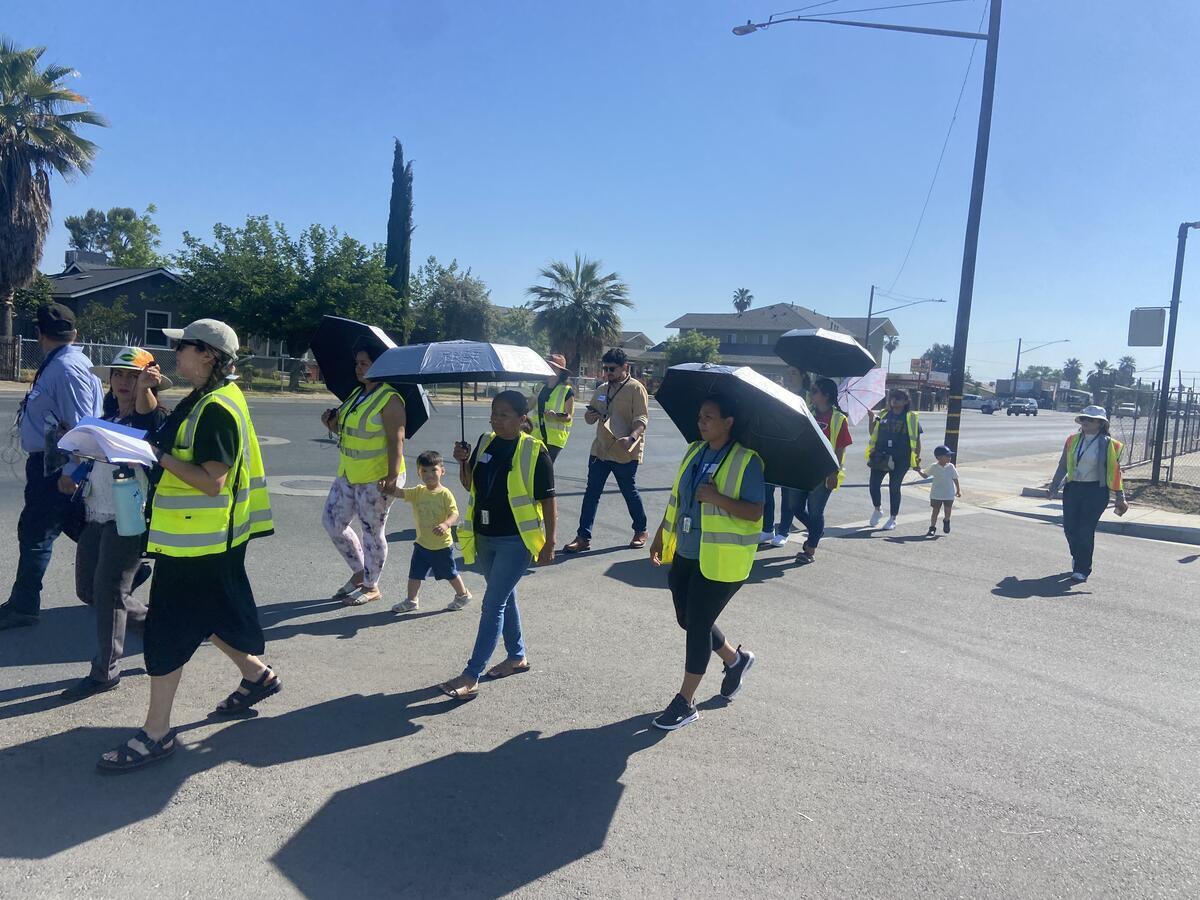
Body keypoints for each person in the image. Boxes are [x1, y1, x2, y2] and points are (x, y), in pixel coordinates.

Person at [97, 319, 276, 773]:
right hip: (206, 541)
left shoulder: (215, 407)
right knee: (208, 617)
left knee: (165, 634)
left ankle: (156, 734)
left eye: (185, 347)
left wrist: (157, 458)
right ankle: (257, 676)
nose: (176, 354)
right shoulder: (207, 398)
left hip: (197, 544)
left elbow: (212, 481)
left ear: (209, 355)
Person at [59, 348, 171, 700]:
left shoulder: (152, 417)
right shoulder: (107, 415)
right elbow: (97, 458)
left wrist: (144, 390)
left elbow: (146, 422)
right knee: (88, 590)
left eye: (132, 376)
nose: (124, 382)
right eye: (119, 375)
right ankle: (158, 624)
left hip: (129, 516)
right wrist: (76, 471)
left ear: (147, 380)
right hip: (96, 509)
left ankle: (105, 671)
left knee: (108, 592)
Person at [648, 395, 762, 731]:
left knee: (697, 626)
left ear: (728, 422)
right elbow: (678, 499)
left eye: (709, 417)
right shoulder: (695, 451)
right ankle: (735, 659)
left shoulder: (746, 460)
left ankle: (685, 702)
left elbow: (755, 511)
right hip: (686, 550)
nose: (702, 422)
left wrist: (717, 499)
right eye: (700, 417)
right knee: (687, 619)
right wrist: (660, 535)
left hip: (721, 560)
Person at [439, 391, 556, 701]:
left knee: (493, 604)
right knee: (504, 595)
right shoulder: (486, 441)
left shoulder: (534, 450)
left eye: (504, 414)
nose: (496, 419)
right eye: (494, 413)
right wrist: (463, 463)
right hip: (485, 536)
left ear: (522, 419)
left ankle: (471, 674)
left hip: (515, 540)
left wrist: (550, 543)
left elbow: (548, 500)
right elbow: (470, 485)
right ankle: (517, 656)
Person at [0, 303, 103, 631]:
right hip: (53, 459)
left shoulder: (67, 367)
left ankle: (24, 604)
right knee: (73, 524)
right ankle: (121, 570)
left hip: (57, 462)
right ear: (74, 332)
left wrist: (72, 472)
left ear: (39, 334)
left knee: (36, 532)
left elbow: (82, 425)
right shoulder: (63, 363)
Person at [320, 340, 407, 606]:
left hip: (377, 476)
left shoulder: (390, 399)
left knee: (371, 531)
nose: (358, 368)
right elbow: (350, 433)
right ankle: (359, 572)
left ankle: (372, 585)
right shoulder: (356, 394)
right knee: (332, 522)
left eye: (364, 363)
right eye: (357, 363)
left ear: (378, 365)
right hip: (348, 472)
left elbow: (396, 441)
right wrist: (332, 424)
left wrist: (392, 478)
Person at [563, 348, 650, 552]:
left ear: (624, 367)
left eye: (612, 369)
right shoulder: (602, 389)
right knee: (591, 494)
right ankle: (583, 537)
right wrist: (590, 417)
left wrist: (632, 438)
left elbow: (642, 419)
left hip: (625, 451)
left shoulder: (636, 389)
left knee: (629, 491)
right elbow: (588, 416)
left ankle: (641, 530)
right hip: (600, 450)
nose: (607, 372)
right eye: (605, 368)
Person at [1049, 405, 1129, 582]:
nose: (1085, 422)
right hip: (1073, 488)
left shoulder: (1110, 445)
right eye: (1083, 419)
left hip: (1096, 491)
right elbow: (1063, 464)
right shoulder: (1072, 440)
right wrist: (1054, 485)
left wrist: (1120, 496)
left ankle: (1082, 568)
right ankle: (1078, 557)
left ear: (1100, 424)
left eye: (1090, 419)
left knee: (1085, 529)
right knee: (1070, 529)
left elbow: (1115, 472)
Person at [391, 450, 473, 613]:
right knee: (415, 574)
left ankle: (463, 594)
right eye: (424, 471)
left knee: (450, 573)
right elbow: (399, 493)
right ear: (419, 473)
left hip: (442, 546)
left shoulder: (445, 494)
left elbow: (454, 513)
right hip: (422, 544)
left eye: (433, 470)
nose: (429, 474)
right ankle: (411, 600)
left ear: (442, 470)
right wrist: (386, 486)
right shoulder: (418, 491)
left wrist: (445, 524)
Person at [793, 377, 853, 564]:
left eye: (815, 390)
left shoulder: (838, 418)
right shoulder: (806, 411)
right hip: (802, 468)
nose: (811, 393)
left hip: (823, 472)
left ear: (826, 395)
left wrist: (834, 473)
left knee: (815, 512)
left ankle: (810, 549)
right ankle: (816, 531)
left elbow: (841, 448)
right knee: (794, 507)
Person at [865, 389, 922, 531]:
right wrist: (871, 419)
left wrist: (917, 457)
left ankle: (893, 518)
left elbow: (917, 440)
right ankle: (877, 509)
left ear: (906, 401)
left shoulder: (910, 418)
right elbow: (873, 432)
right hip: (881, 455)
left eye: (898, 398)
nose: (894, 400)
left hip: (901, 458)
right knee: (873, 485)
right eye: (893, 398)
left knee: (894, 487)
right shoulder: (883, 414)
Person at [527, 353, 575, 463]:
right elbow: (528, 406)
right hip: (536, 434)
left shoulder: (567, 390)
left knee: (545, 467)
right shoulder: (539, 386)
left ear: (561, 371)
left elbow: (568, 417)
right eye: (548, 366)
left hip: (554, 439)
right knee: (533, 466)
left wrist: (555, 417)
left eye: (553, 367)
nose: (549, 369)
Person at [926, 445, 961, 536]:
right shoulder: (933, 466)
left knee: (948, 510)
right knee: (935, 511)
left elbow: (955, 478)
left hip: (949, 493)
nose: (949, 458)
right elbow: (925, 475)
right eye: (947, 456)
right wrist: (918, 470)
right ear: (939, 457)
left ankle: (946, 521)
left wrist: (958, 490)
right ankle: (932, 527)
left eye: (950, 456)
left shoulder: (951, 467)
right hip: (936, 493)